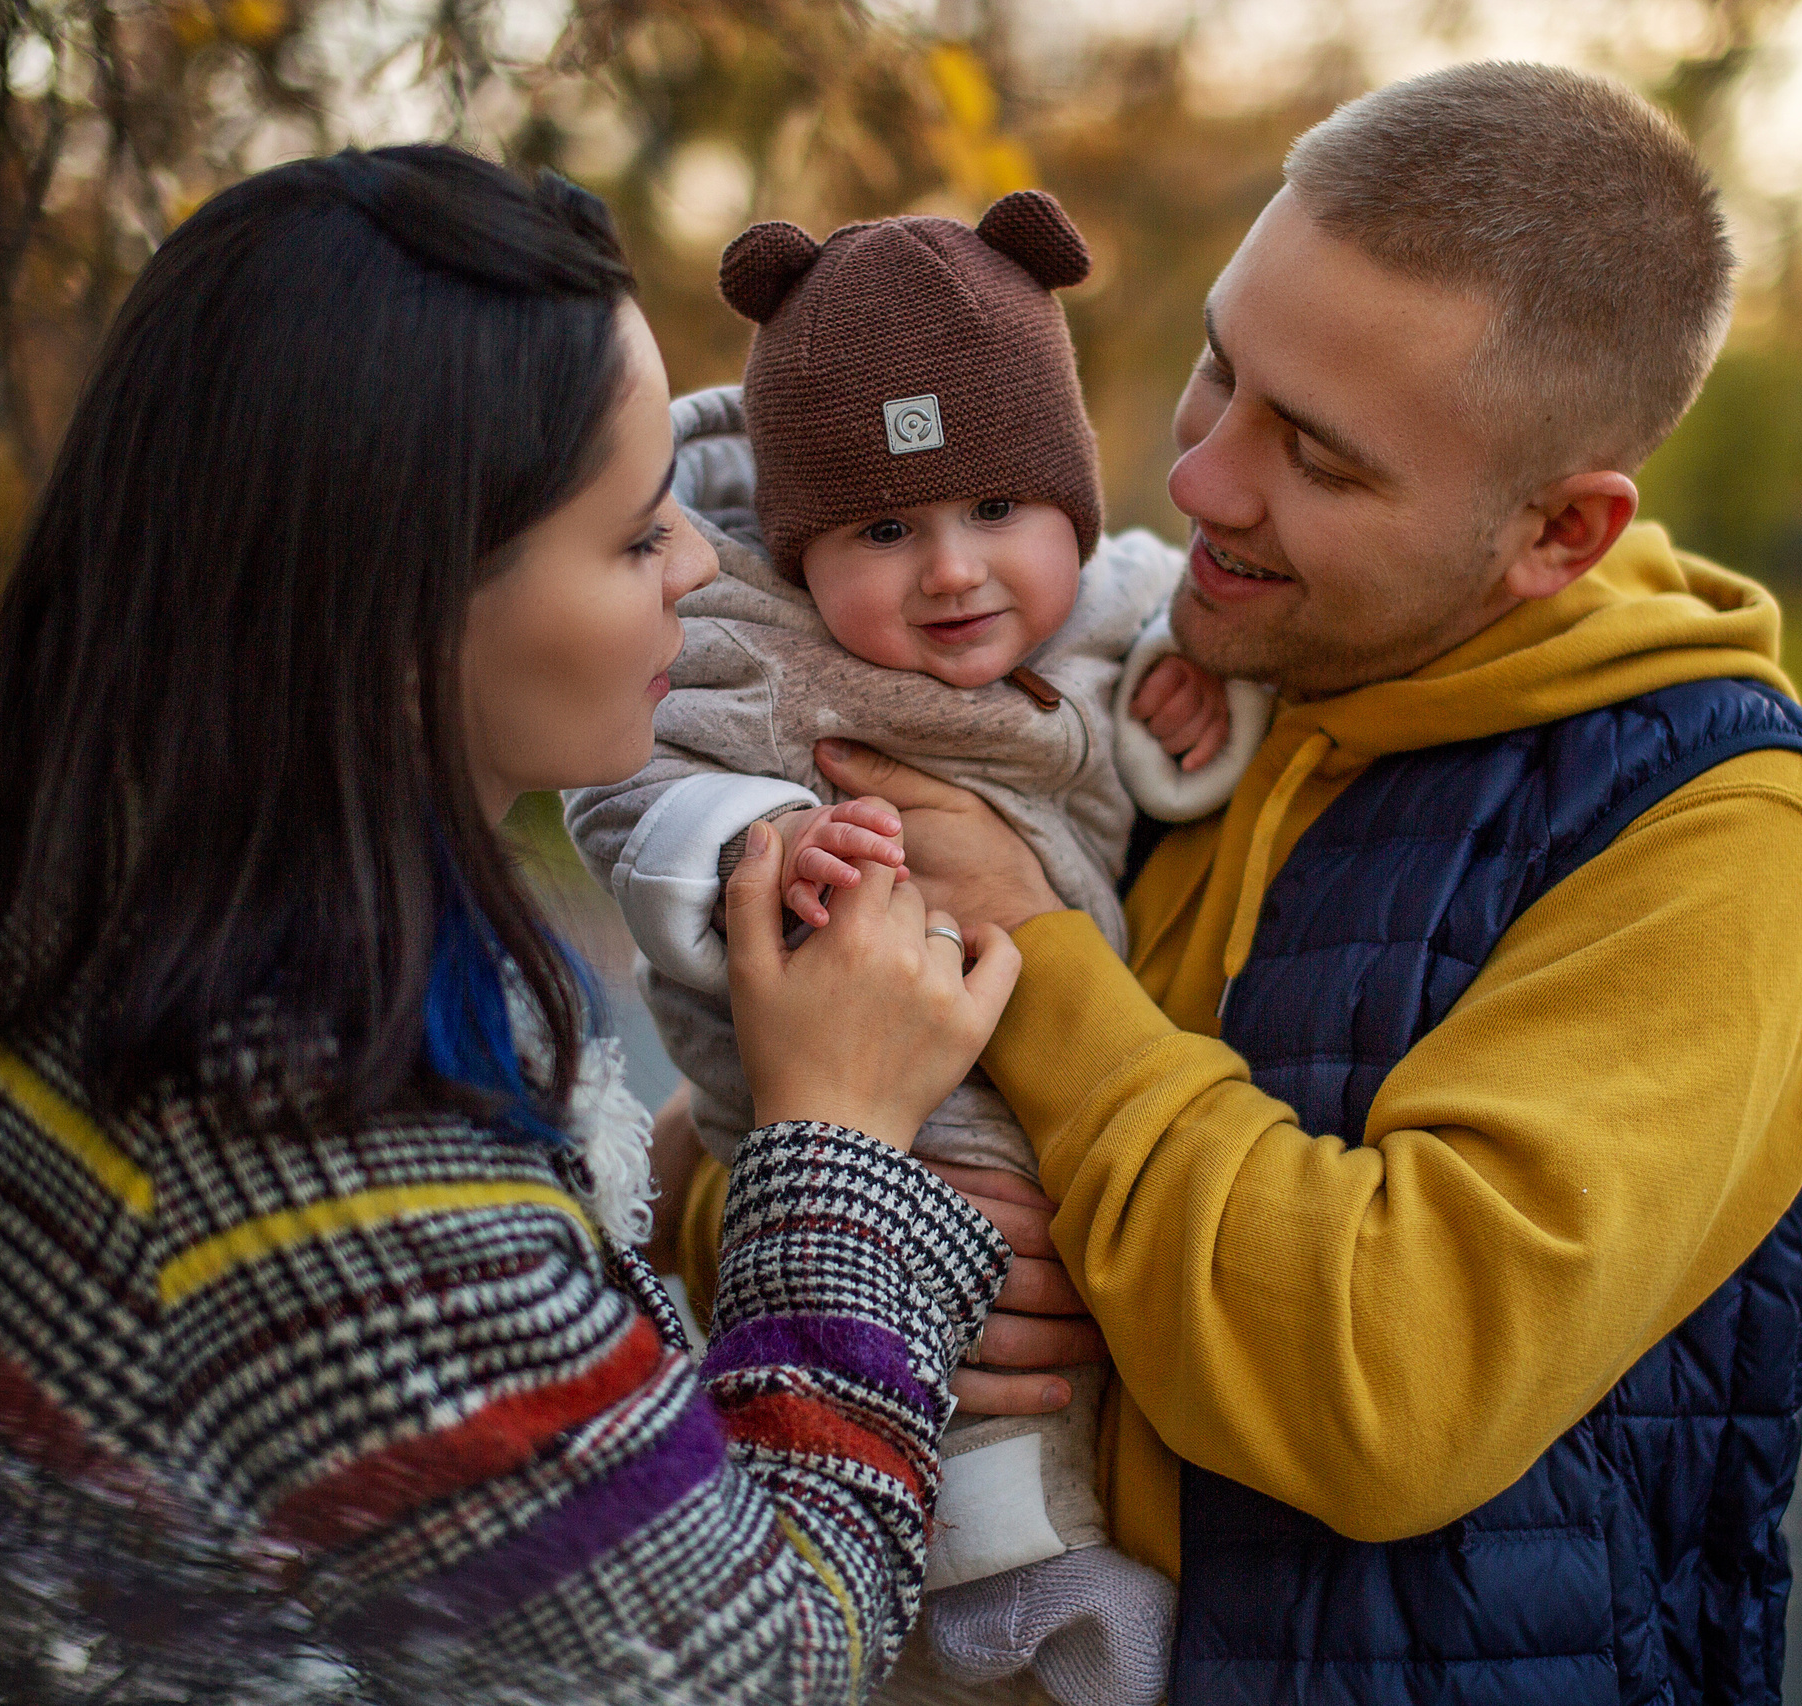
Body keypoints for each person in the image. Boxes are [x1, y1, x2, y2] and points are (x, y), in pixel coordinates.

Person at [0, 145, 1023, 1706]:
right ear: (401, 609)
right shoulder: (317, 1120)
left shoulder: (126, 889)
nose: (696, 563)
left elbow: (421, 1446)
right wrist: (838, 1146)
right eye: (632, 537)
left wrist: (729, 1109)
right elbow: (749, 1666)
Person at [689, 63, 1802, 1705]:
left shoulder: (1713, 828)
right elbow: (746, 1115)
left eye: (1315, 457)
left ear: (1560, 532)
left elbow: (1391, 1381)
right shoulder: (1161, 672)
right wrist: (835, 1201)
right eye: (1217, 373)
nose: (1200, 484)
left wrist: (1028, 945)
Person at [568, 192, 1265, 1706]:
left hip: (1060, 1064)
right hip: (855, 1067)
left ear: (1071, 507)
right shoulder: (755, 639)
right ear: (807, 542)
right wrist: (764, 836)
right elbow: (629, 799)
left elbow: (1167, 672)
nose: (952, 570)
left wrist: (1190, 715)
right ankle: (1007, 1591)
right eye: (885, 529)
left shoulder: (1117, 606)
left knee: (1047, 1303)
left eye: (997, 512)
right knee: (954, 1299)